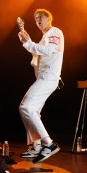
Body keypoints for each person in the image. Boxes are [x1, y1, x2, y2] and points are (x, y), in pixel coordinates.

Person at [17, 9, 64, 163]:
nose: (37, 20)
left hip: (49, 77)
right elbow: (38, 53)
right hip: (43, 78)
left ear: (49, 18)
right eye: (36, 18)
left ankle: (48, 143)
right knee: (30, 110)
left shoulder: (54, 31)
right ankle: (36, 145)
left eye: (40, 17)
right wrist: (26, 42)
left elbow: (49, 51)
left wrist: (29, 43)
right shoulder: (46, 36)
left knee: (27, 107)